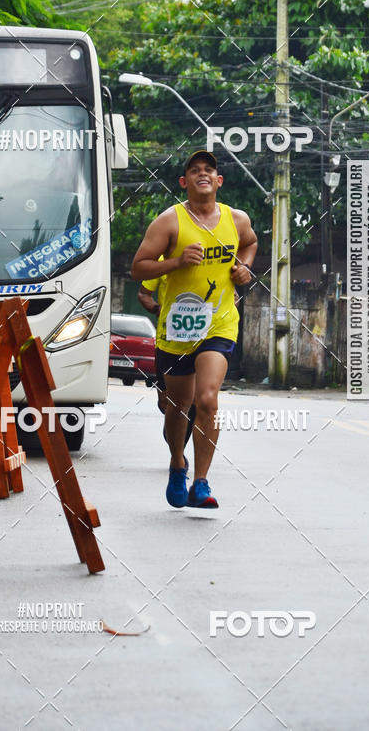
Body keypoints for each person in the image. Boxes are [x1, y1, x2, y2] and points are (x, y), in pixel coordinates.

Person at [131, 150, 258, 508]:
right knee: (177, 407)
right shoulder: (169, 222)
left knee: (207, 399)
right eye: (194, 171)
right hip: (177, 330)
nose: (203, 174)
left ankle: (201, 481)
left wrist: (244, 268)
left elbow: (249, 244)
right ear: (185, 183)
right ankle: (177, 464)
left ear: (219, 182)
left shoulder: (236, 219)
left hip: (219, 324)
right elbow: (138, 269)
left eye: (210, 170)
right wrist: (176, 261)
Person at [138, 272, 196, 444]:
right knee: (166, 401)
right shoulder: (163, 260)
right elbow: (143, 293)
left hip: (203, 340)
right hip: (168, 339)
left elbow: (234, 296)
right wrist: (158, 310)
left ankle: (180, 447)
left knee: (198, 399)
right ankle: (174, 424)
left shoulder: (214, 257)